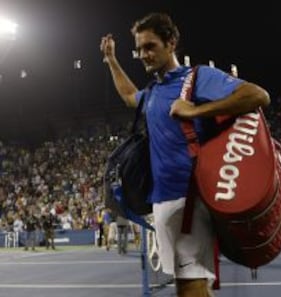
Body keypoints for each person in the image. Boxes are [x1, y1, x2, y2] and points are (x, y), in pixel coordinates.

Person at [100, 12, 270, 297]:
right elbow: (130, 96)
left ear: (171, 43)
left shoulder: (197, 77)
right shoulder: (154, 90)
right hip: (165, 202)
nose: (143, 54)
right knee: (190, 286)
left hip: (188, 201)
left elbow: (257, 95)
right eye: (139, 48)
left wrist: (195, 110)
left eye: (151, 46)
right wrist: (112, 61)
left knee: (191, 288)